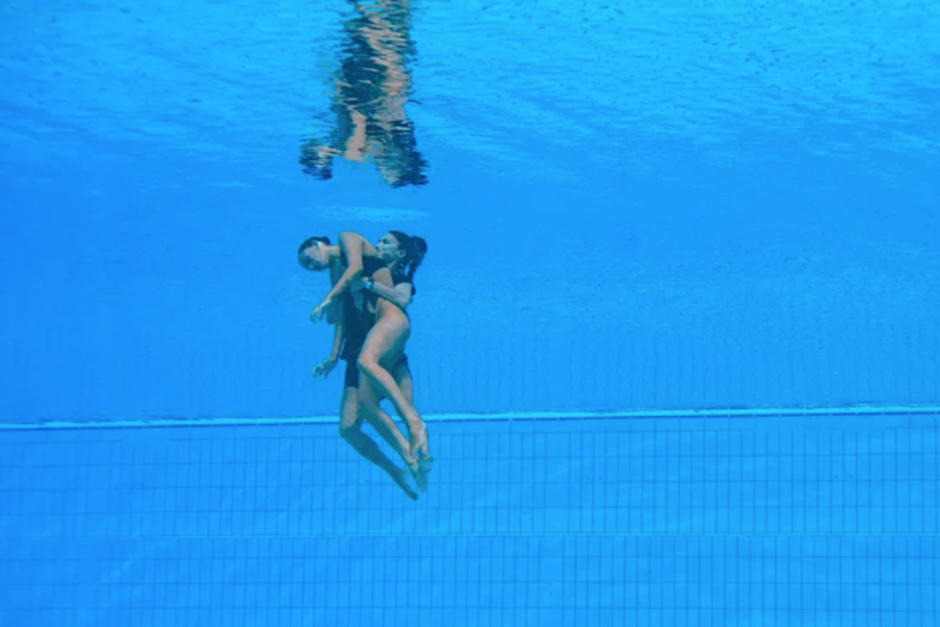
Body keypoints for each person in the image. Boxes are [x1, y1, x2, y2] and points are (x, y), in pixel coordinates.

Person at [298, 233, 423, 498]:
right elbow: (341, 318)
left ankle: (415, 454)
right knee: (348, 428)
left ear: (316, 244)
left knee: (395, 409)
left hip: (384, 346)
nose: (311, 267)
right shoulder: (338, 273)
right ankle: (399, 468)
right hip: (359, 349)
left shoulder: (353, 246)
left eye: (308, 259)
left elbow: (395, 297)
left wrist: (330, 297)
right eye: (307, 267)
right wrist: (333, 356)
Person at [298, 0, 428, 187]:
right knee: (374, 23)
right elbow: (356, 112)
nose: (377, 164)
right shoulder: (357, 149)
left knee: (389, 22)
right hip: (373, 80)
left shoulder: (393, 133)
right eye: (382, 167)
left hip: (388, 78)